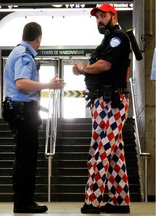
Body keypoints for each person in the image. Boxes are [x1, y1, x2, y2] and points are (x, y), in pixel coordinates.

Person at [72, 4, 131, 214]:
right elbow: (97, 64)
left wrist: (83, 68)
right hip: (102, 101)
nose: (99, 20)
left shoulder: (118, 38)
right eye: (97, 17)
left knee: (100, 151)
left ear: (113, 16)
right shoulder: (107, 40)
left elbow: (104, 65)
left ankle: (93, 201)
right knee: (115, 154)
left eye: (103, 16)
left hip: (111, 103)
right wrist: (84, 68)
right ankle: (120, 202)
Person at [2, 22, 65, 213]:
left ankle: (24, 201)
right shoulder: (24, 55)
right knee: (26, 159)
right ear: (39, 38)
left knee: (24, 157)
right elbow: (21, 84)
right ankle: (23, 203)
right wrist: (48, 85)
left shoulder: (17, 51)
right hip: (22, 111)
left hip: (20, 110)